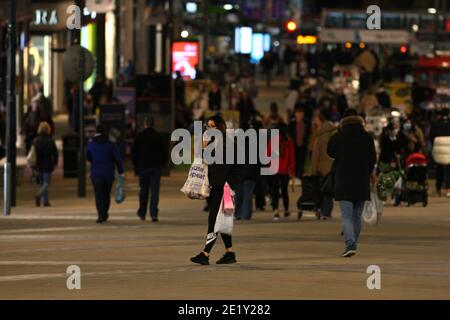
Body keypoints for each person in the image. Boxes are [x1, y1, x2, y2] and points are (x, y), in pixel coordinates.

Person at [190, 115, 242, 265]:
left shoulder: (230, 144)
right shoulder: (211, 143)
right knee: (223, 221)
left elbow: (241, 167)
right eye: (208, 126)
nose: (209, 129)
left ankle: (205, 253)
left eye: (213, 126)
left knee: (213, 219)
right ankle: (229, 253)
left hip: (224, 189)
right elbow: (204, 162)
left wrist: (230, 183)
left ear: (220, 127)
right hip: (214, 187)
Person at [327, 108, 377, 257]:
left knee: (346, 215)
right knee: (356, 215)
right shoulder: (367, 137)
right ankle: (353, 242)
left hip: (343, 180)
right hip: (361, 180)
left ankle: (350, 244)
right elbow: (372, 159)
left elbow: (329, 152)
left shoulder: (339, 136)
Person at [132, 117, 168, 222]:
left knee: (143, 191)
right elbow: (165, 152)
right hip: (155, 168)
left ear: (145, 124)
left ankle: (142, 213)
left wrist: (136, 167)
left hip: (143, 168)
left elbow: (134, 153)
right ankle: (154, 214)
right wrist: (163, 165)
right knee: (154, 192)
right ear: (153, 125)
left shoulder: (139, 137)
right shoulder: (159, 136)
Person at [87, 125, 124, 224]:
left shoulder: (91, 144)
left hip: (96, 173)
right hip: (108, 173)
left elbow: (88, 158)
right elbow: (117, 158)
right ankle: (105, 212)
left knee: (98, 195)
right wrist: (121, 170)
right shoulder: (110, 144)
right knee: (106, 194)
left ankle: (100, 215)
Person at [311, 113, 337, 219]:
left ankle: (325, 212)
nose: (314, 122)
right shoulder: (334, 134)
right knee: (329, 190)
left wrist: (313, 171)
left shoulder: (320, 137)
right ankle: (327, 212)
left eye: (315, 120)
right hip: (333, 166)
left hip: (323, 168)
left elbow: (315, 156)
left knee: (324, 191)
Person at [268, 123, 295, 220]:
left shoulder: (273, 140)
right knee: (284, 191)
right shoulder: (289, 142)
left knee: (274, 191)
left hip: (274, 169)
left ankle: (275, 211)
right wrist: (292, 170)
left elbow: (268, 154)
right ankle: (286, 210)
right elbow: (291, 157)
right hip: (285, 170)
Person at [33, 122, 58, 207]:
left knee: (42, 183)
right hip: (47, 163)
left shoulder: (35, 140)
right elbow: (55, 153)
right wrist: (55, 162)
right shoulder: (50, 140)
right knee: (46, 183)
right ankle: (39, 196)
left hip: (38, 164)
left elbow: (33, 153)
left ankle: (45, 201)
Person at [430, 108, 450, 197]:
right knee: (449, 169)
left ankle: (438, 188)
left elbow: (431, 137)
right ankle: (449, 189)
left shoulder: (435, 124)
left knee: (439, 169)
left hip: (438, 149)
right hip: (449, 149)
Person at [288, 108, 310, 181]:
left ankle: (300, 176)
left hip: (303, 146)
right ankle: (295, 176)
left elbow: (309, 133)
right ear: (295, 115)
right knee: (295, 161)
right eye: (298, 114)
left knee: (301, 161)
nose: (299, 116)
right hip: (294, 146)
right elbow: (289, 134)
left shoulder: (306, 123)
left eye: (301, 114)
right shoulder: (292, 124)